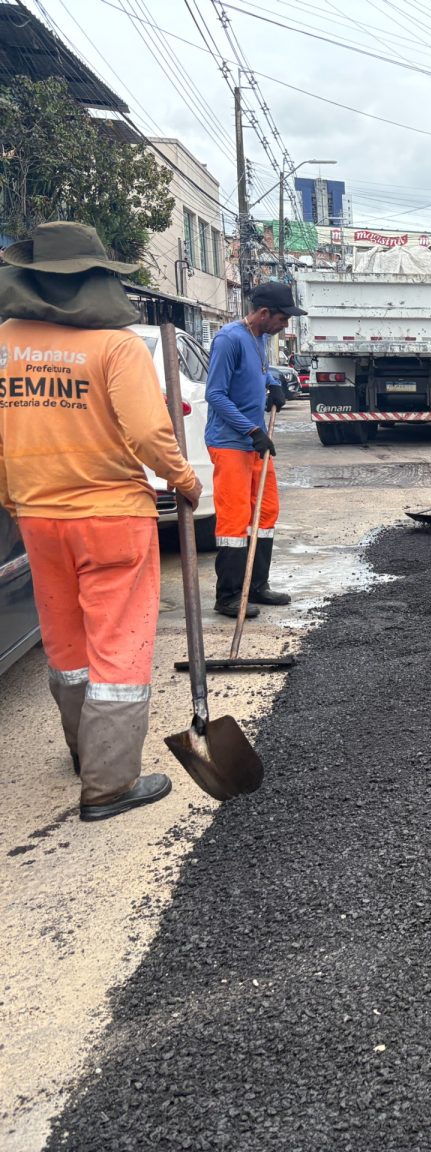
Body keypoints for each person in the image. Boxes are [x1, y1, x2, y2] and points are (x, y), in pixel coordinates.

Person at [0, 221, 203, 821]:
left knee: (66, 644)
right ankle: (110, 783)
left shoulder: (5, 342)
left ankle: (84, 751)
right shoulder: (114, 347)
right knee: (117, 645)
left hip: (36, 514)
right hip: (111, 514)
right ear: (96, 282)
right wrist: (184, 481)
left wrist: (11, 495)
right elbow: (148, 433)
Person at [205, 281, 302, 618]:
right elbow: (215, 394)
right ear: (264, 313)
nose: (285, 325)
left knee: (265, 512)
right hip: (230, 443)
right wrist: (251, 429)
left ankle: (256, 585)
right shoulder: (229, 339)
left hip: (255, 441)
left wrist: (272, 384)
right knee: (234, 520)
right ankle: (229, 595)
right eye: (283, 319)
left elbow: (257, 373)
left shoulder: (260, 338)